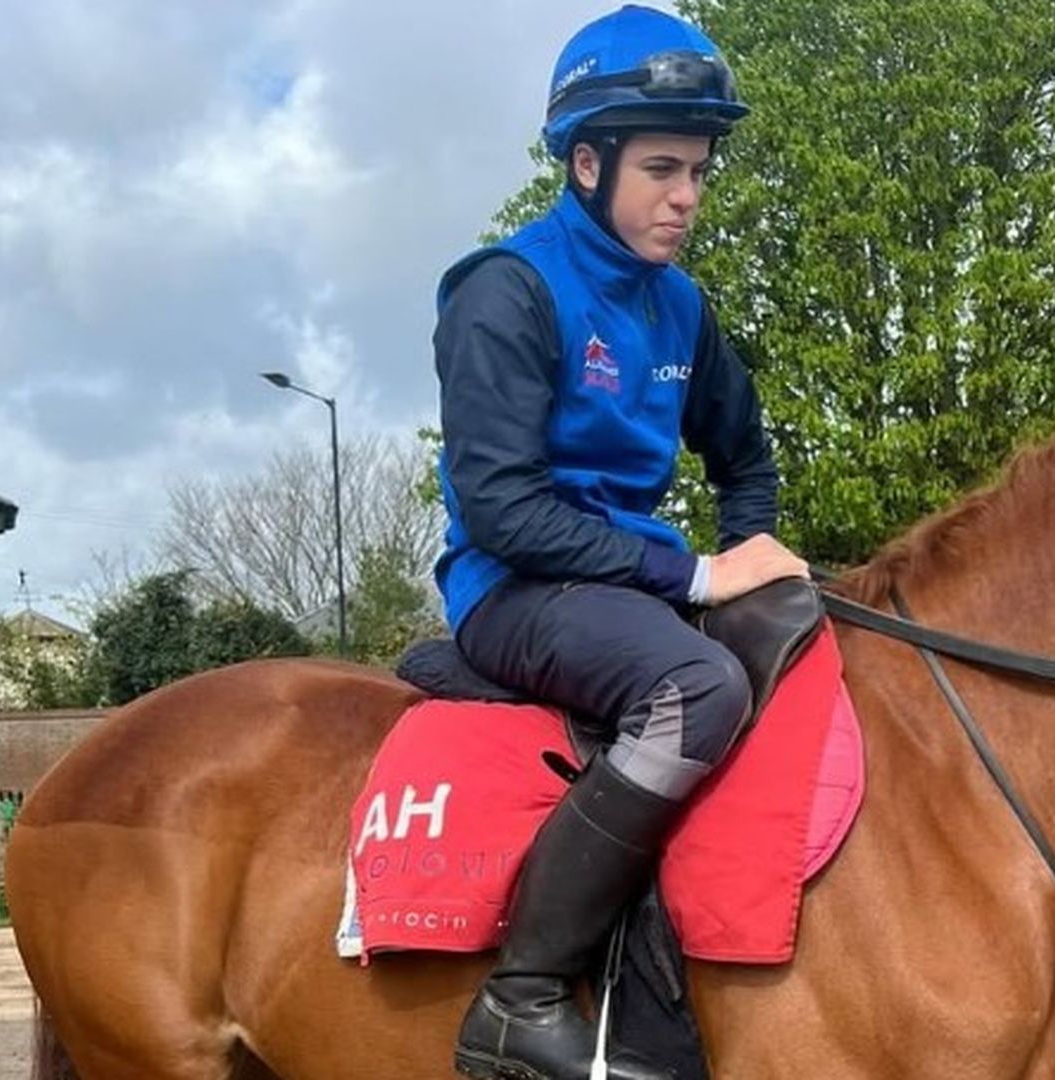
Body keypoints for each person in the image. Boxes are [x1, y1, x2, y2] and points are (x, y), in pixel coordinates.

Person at [431, 7, 808, 1078]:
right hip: (513, 586)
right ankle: (523, 993)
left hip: (627, 589)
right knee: (698, 687)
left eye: (699, 172)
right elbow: (504, 512)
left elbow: (744, 455)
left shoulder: (680, 306)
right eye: (661, 169)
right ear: (587, 164)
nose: (687, 197)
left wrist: (751, 559)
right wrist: (698, 573)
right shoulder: (506, 290)